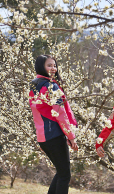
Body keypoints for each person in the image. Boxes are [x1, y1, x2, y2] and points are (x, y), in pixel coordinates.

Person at [29, 54, 78, 194]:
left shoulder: (34, 85)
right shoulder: (51, 86)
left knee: (61, 173)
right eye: (49, 65)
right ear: (41, 67)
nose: (53, 68)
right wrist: (71, 136)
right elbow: (60, 113)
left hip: (43, 137)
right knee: (64, 175)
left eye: (54, 65)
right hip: (54, 135)